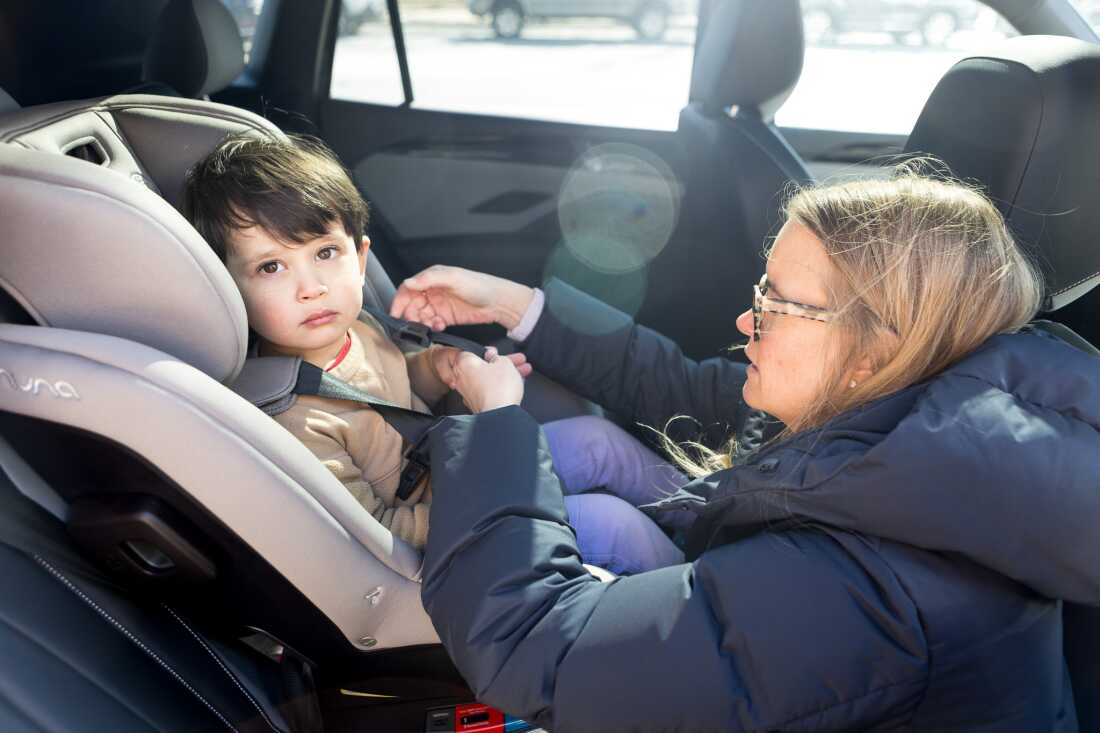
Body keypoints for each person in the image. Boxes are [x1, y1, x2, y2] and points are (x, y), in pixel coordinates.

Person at [391, 169, 1100, 731]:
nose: (744, 318)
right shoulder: (920, 425)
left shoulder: (870, 593)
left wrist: (495, 423)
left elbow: (541, 649)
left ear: (874, 348)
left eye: (777, 303)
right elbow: (693, 388)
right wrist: (517, 307)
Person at [182, 132, 686, 572]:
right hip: (455, 527)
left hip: (455, 470)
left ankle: (713, 523)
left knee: (599, 440)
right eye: (272, 267)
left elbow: (400, 394)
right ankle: (702, 598)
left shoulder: (358, 327)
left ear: (360, 259)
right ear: (228, 288)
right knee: (612, 525)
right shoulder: (296, 420)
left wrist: (440, 369)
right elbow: (376, 532)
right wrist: (513, 494)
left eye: (325, 253)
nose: (310, 287)